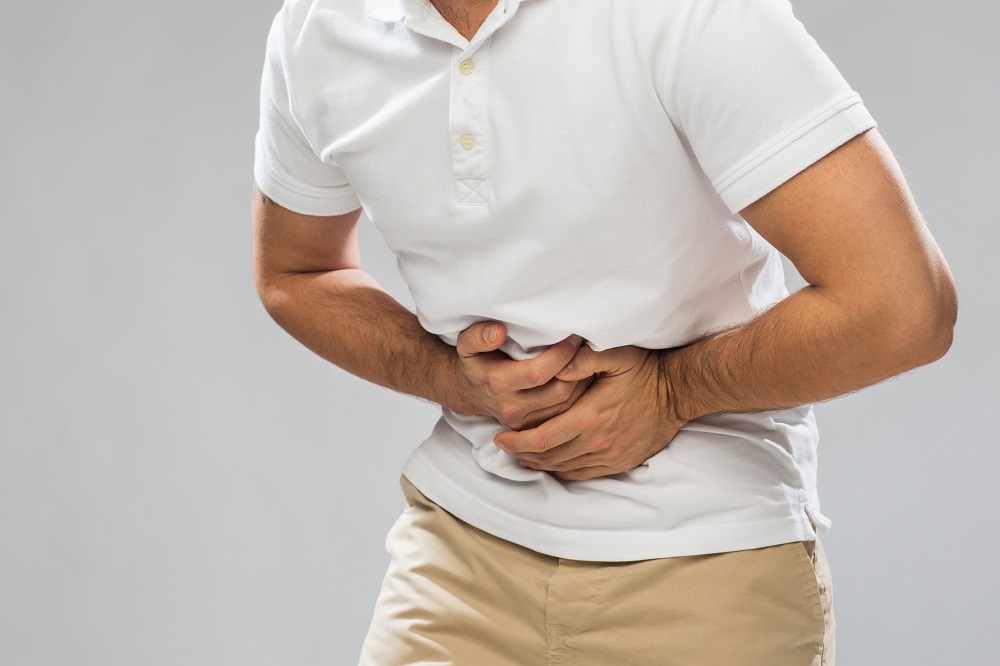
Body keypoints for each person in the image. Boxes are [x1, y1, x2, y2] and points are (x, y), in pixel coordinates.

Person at [250, 0, 958, 663]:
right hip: (460, 555)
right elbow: (294, 271)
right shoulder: (318, 27)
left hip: (708, 565)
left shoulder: (682, 13)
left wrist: (674, 391)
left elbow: (901, 306)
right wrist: (449, 377)